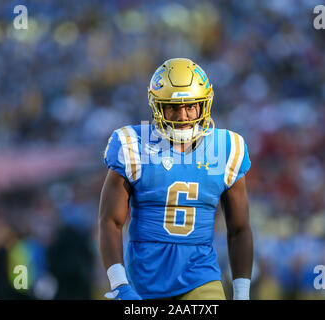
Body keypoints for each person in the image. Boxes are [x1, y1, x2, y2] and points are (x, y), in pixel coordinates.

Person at [98, 58, 253, 300]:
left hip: (200, 276)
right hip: (143, 278)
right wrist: (119, 284)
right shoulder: (133, 145)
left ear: (205, 105)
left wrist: (242, 295)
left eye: (191, 106)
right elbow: (110, 221)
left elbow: (239, 229)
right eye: (173, 107)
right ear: (157, 107)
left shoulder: (226, 147)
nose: (183, 116)